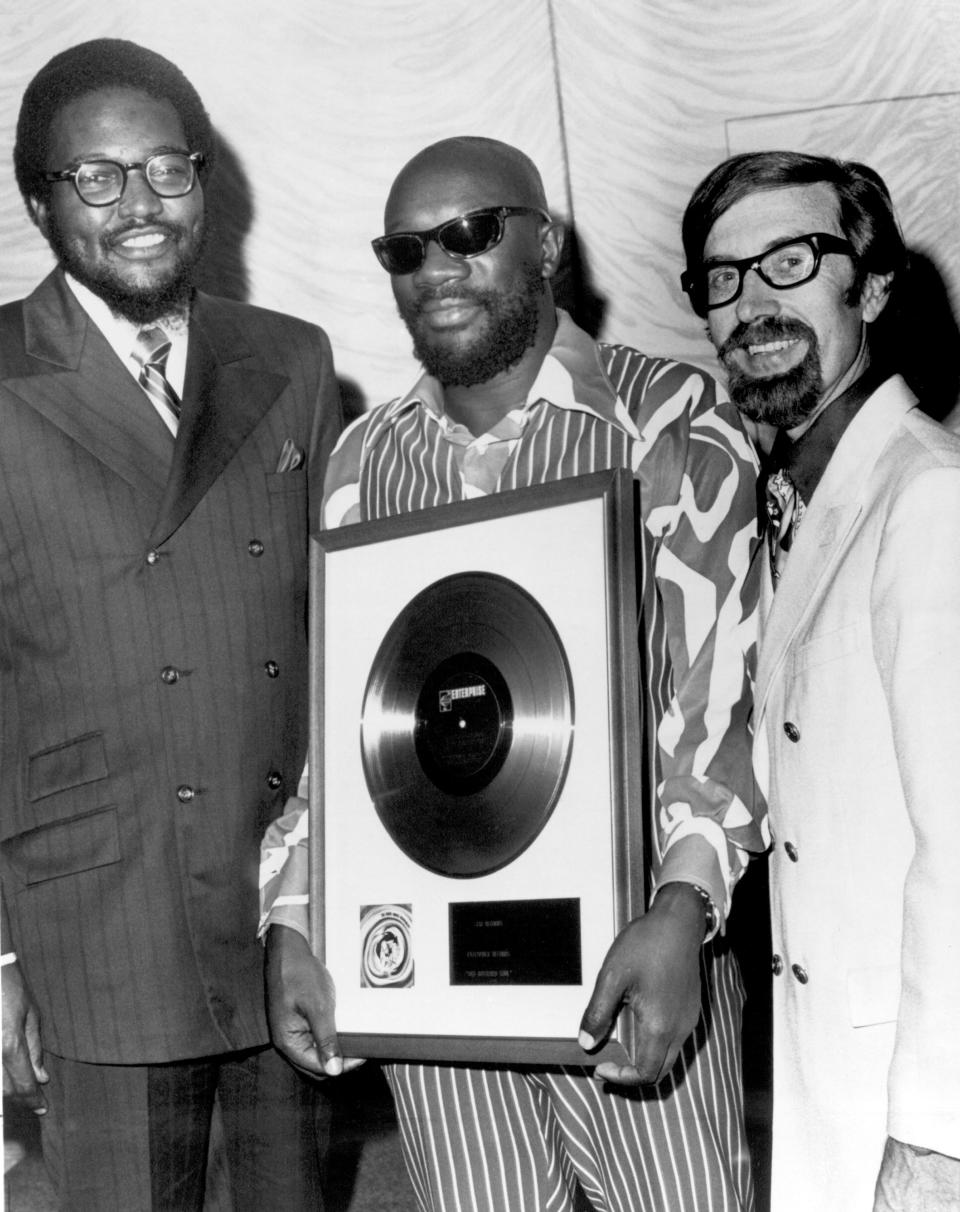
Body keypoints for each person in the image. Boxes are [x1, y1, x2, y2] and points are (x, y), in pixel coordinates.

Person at [261, 135, 767, 1212]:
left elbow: (719, 698)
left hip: (631, 956)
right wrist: (296, 915)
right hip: (429, 972)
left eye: (471, 234)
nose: (436, 268)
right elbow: (339, 726)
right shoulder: (365, 459)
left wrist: (681, 911)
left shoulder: (669, 416)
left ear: (547, 243)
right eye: (406, 250)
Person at [0, 38, 341, 1210]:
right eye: (96, 177)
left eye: (166, 169)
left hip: (281, 912)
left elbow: (329, 627)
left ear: (205, 178)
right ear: (39, 198)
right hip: (91, 926)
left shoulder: (292, 360)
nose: (139, 206)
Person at [680, 150, 960, 1211]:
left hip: (917, 1114)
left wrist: (936, 1142)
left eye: (789, 262)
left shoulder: (928, 501)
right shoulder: (784, 509)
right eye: (723, 278)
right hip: (830, 1085)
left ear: (873, 286)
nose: (753, 302)